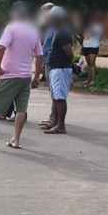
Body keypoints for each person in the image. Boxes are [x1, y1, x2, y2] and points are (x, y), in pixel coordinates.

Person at [0, 2, 43, 150]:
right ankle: (16, 140)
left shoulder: (11, 28)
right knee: (21, 109)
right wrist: (37, 76)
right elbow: (39, 56)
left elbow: (0, 48)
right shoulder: (33, 31)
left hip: (9, 74)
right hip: (25, 76)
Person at [42, 7, 74, 135]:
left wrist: (70, 62)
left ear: (57, 18)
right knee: (55, 97)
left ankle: (60, 125)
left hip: (60, 68)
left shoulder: (62, 31)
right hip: (56, 68)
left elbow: (69, 52)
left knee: (60, 97)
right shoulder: (58, 30)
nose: (49, 19)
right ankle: (55, 122)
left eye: (51, 17)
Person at [80, 13, 102, 85]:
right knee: (88, 63)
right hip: (86, 46)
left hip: (93, 46)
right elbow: (84, 37)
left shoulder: (98, 26)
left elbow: (92, 33)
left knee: (92, 63)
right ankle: (89, 78)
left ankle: (93, 79)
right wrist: (82, 47)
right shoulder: (86, 27)